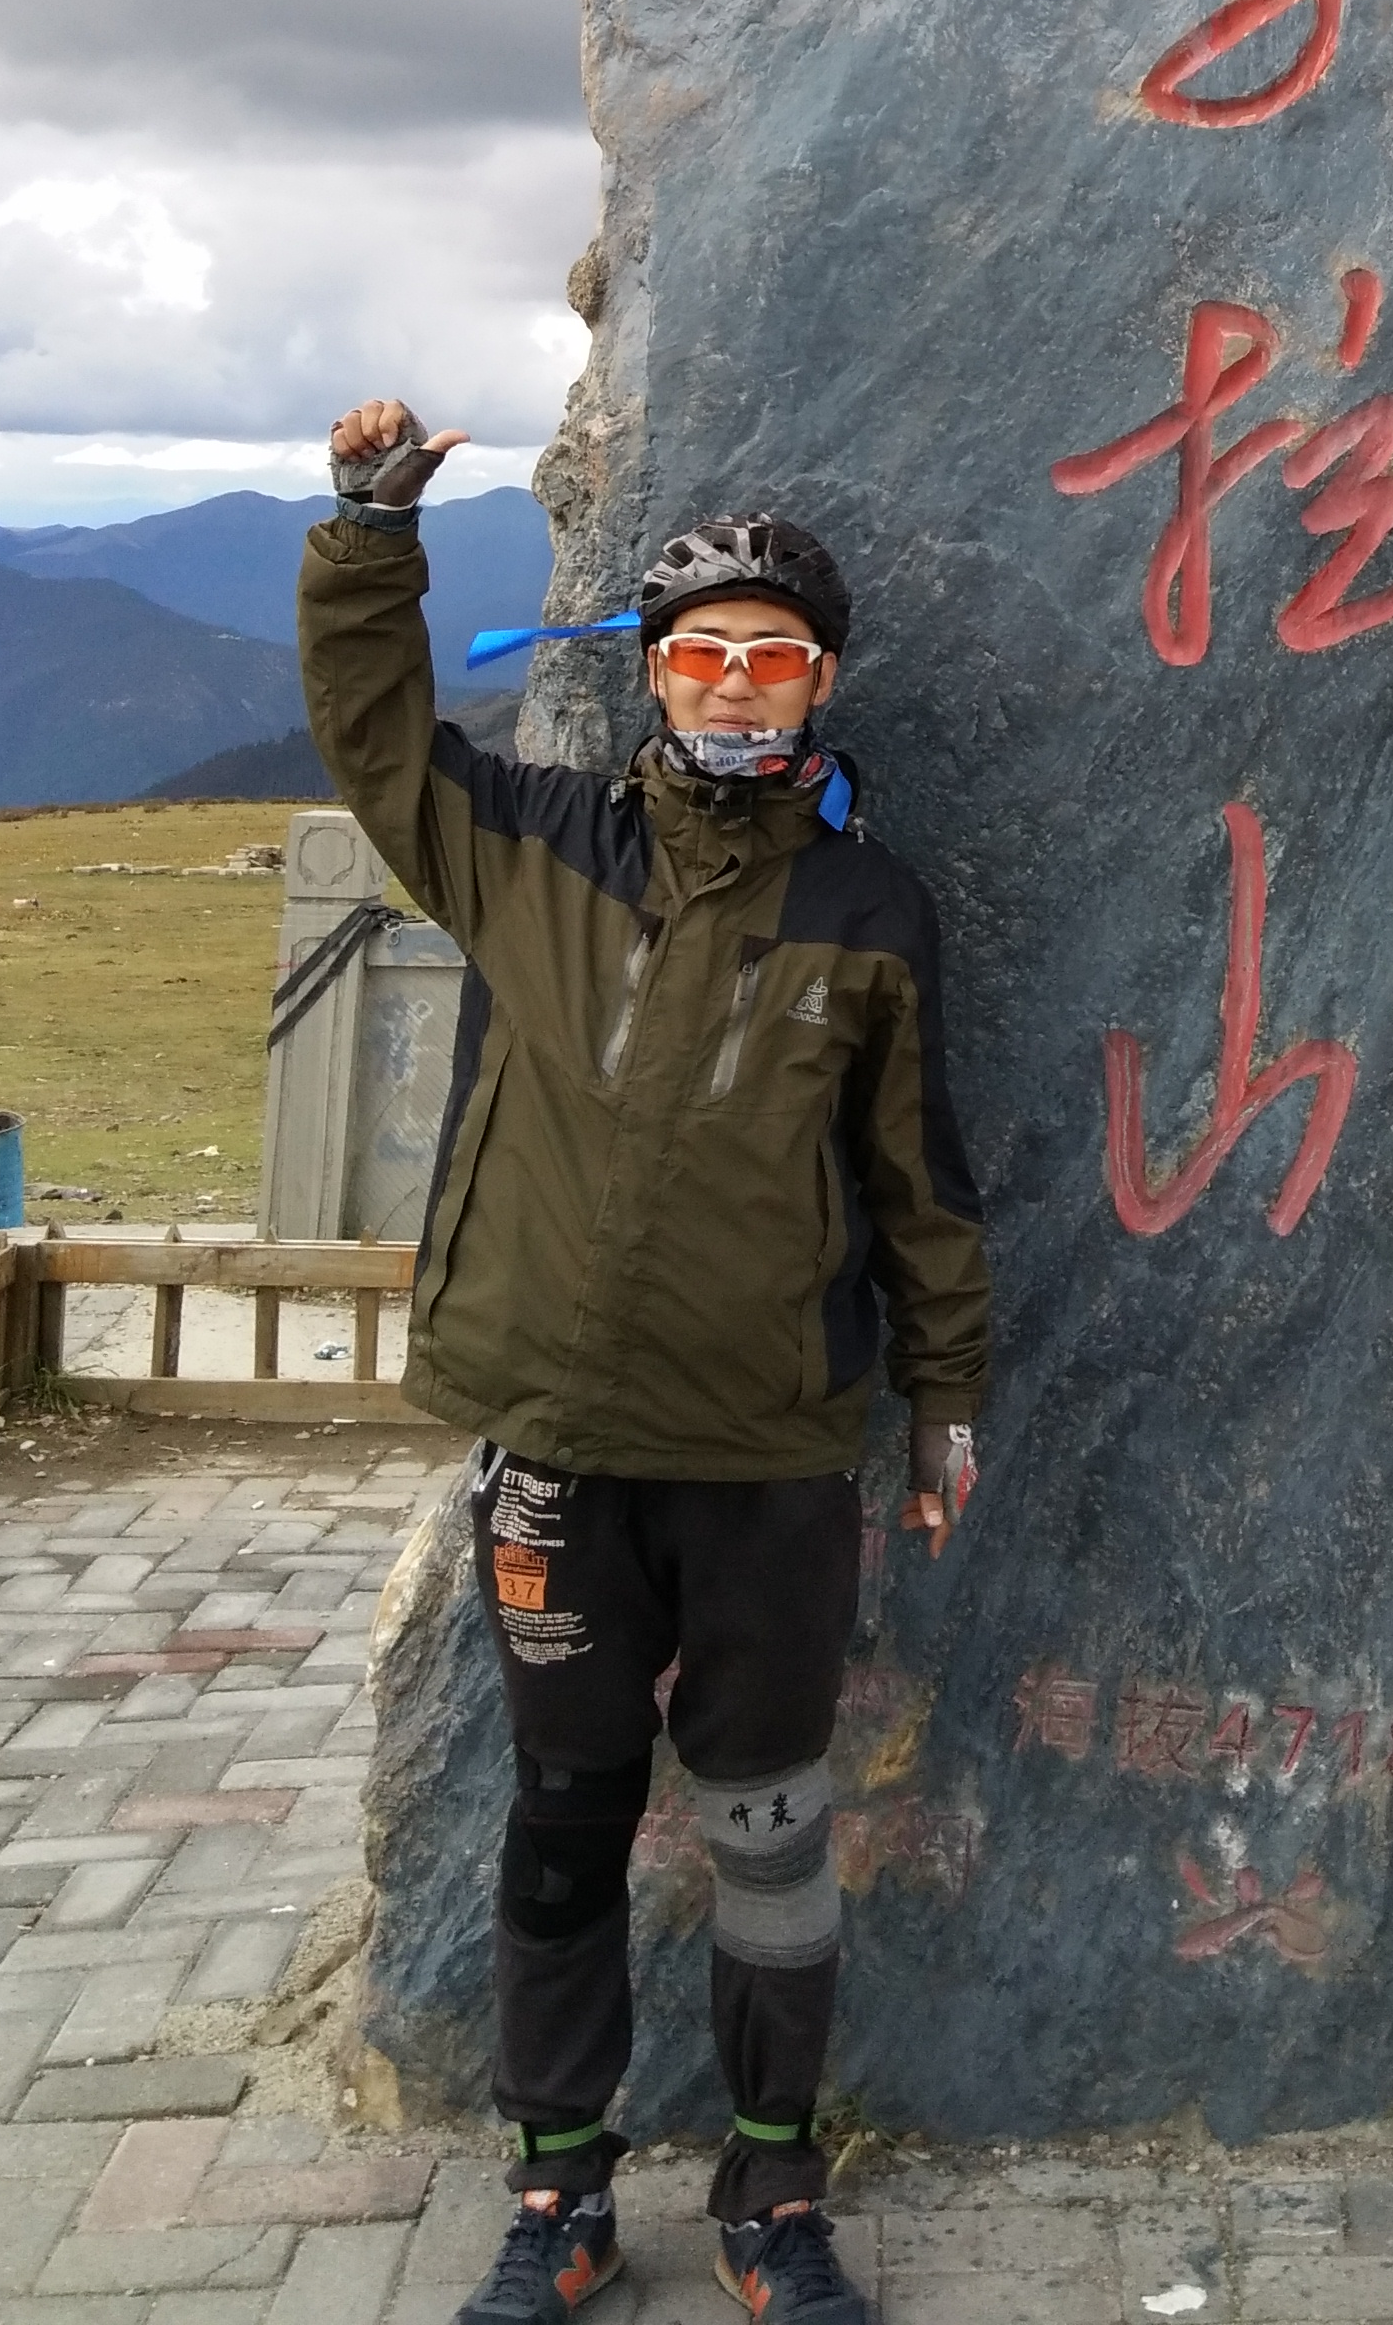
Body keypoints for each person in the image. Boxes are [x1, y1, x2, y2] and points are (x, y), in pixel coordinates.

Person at [299, 399, 990, 2325]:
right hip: (558, 1449)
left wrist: (946, 1399)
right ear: (649, 677)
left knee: (769, 1829)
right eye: (703, 656)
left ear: (824, 681)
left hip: (772, 1453)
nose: (741, 690)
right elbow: (372, 742)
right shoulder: (531, 845)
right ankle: (558, 2193)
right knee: (563, 1817)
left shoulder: (876, 912)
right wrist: (367, 534)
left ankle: (777, 2195)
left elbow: (922, 1186)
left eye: (776, 659)